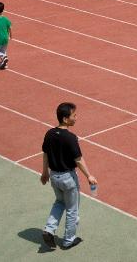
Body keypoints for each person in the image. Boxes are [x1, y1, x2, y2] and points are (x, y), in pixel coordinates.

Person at [40, 102, 94, 250]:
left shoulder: (49, 133)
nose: (76, 118)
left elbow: (45, 154)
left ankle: (49, 229)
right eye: (74, 115)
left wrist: (45, 172)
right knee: (72, 209)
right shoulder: (70, 138)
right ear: (65, 119)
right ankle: (68, 240)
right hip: (68, 178)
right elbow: (78, 160)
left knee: (59, 202)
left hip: (54, 177)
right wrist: (89, 176)